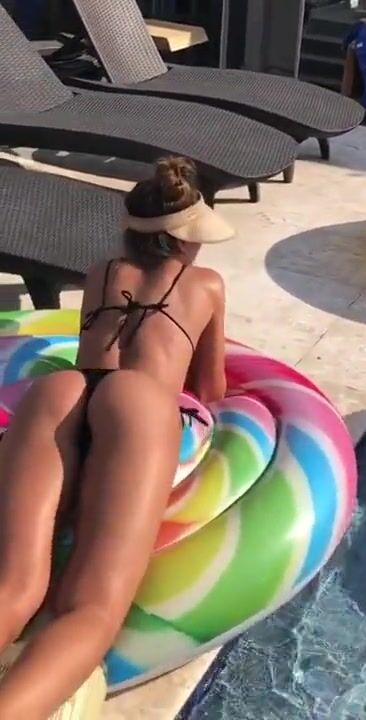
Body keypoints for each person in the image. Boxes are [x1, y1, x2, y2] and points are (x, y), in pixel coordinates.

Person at [0, 156, 234, 719]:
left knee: (13, 583)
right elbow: (210, 388)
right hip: (139, 407)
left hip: (65, 390)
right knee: (90, 609)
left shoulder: (102, 269)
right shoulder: (205, 284)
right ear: (186, 239)